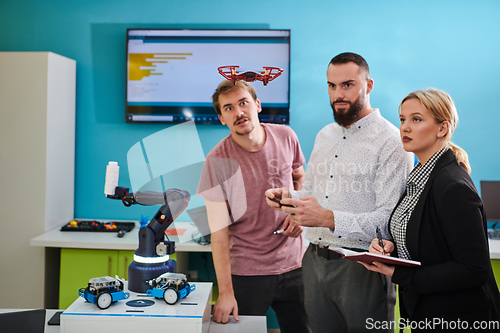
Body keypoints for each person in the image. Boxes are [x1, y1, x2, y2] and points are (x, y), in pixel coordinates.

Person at [266, 52, 414, 332]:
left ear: (368, 86)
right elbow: (310, 193)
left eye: (347, 85)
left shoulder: (392, 141)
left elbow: (389, 222)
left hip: (363, 267)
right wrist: (287, 199)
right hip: (313, 263)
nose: (338, 94)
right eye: (332, 86)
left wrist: (327, 218)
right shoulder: (324, 135)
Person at [360, 88, 500, 330]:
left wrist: (398, 272)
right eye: (402, 119)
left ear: (442, 128)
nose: (404, 127)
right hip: (427, 313)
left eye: (416, 119)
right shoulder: (420, 177)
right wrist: (392, 248)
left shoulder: (453, 186)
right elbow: (426, 241)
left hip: (459, 318)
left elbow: (473, 269)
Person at [196, 80, 311, 332]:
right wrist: (225, 293)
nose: (238, 112)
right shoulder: (216, 161)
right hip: (247, 272)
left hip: (296, 264)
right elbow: (218, 234)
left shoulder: (286, 136)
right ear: (221, 118)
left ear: (257, 105)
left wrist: (297, 212)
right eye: (228, 108)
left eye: (243, 103)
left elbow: (300, 178)